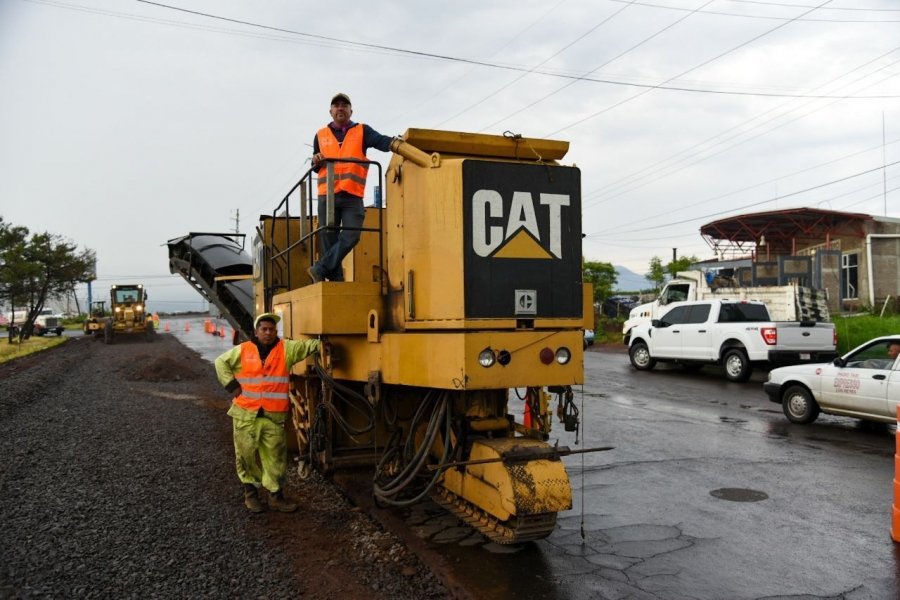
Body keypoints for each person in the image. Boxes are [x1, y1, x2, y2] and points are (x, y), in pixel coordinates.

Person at [214, 312, 320, 513]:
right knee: (245, 456)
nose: (269, 332)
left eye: (272, 329)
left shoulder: (286, 349)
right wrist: (232, 386)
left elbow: (307, 346)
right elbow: (220, 362)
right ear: (256, 331)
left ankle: (275, 497)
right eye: (264, 329)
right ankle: (251, 495)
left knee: (276, 459)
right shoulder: (243, 350)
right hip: (246, 414)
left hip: (273, 417)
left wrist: (324, 342)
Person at [307, 92, 394, 282]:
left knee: (352, 235)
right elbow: (315, 166)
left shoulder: (362, 131)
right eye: (336, 105)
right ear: (330, 111)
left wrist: (397, 142)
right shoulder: (320, 135)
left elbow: (381, 141)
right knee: (328, 240)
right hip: (326, 196)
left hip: (352, 196)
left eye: (344, 105)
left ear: (350, 111)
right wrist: (316, 159)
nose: (340, 108)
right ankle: (335, 281)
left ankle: (320, 268)